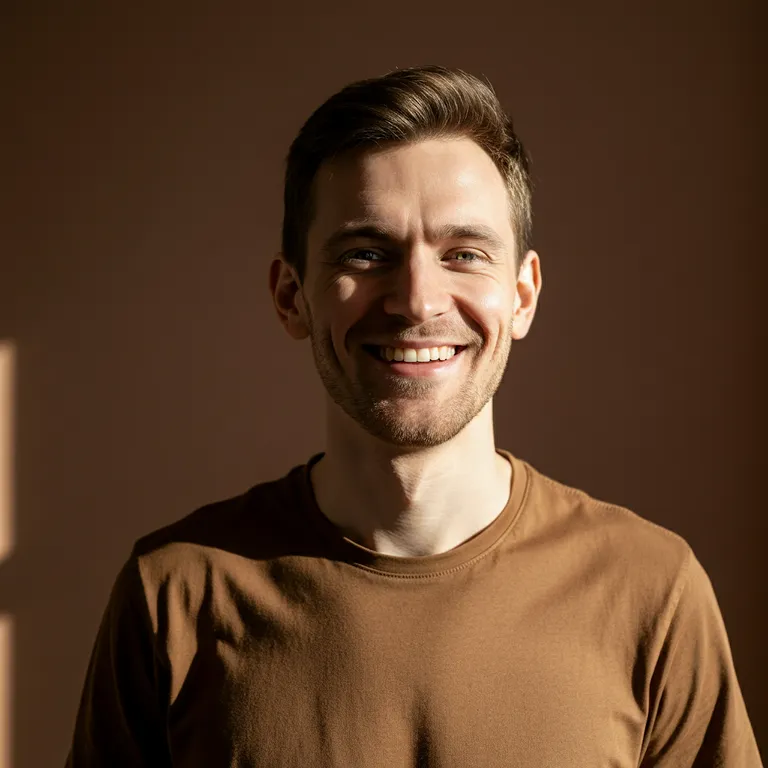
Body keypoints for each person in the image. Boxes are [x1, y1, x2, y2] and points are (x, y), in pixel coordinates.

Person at [66, 65, 762, 767]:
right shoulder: (176, 594)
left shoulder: (651, 591)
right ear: (291, 296)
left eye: (463, 254)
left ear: (522, 296)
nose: (417, 300)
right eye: (367, 253)